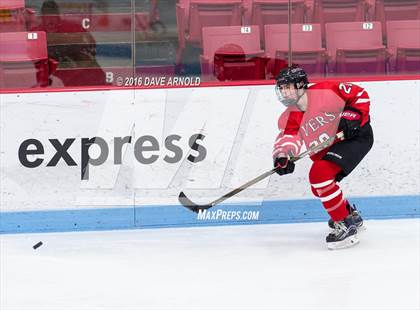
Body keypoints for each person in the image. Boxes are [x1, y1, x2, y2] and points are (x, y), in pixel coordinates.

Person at [272, 66, 374, 250]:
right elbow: (288, 137)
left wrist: (353, 116)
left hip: (354, 137)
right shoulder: (288, 116)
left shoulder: (325, 91)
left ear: (301, 85)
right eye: (282, 88)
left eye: (288, 87)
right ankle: (350, 214)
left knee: (319, 175)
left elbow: (360, 94)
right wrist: (283, 155)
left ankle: (344, 225)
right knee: (317, 187)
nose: (284, 92)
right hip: (330, 146)